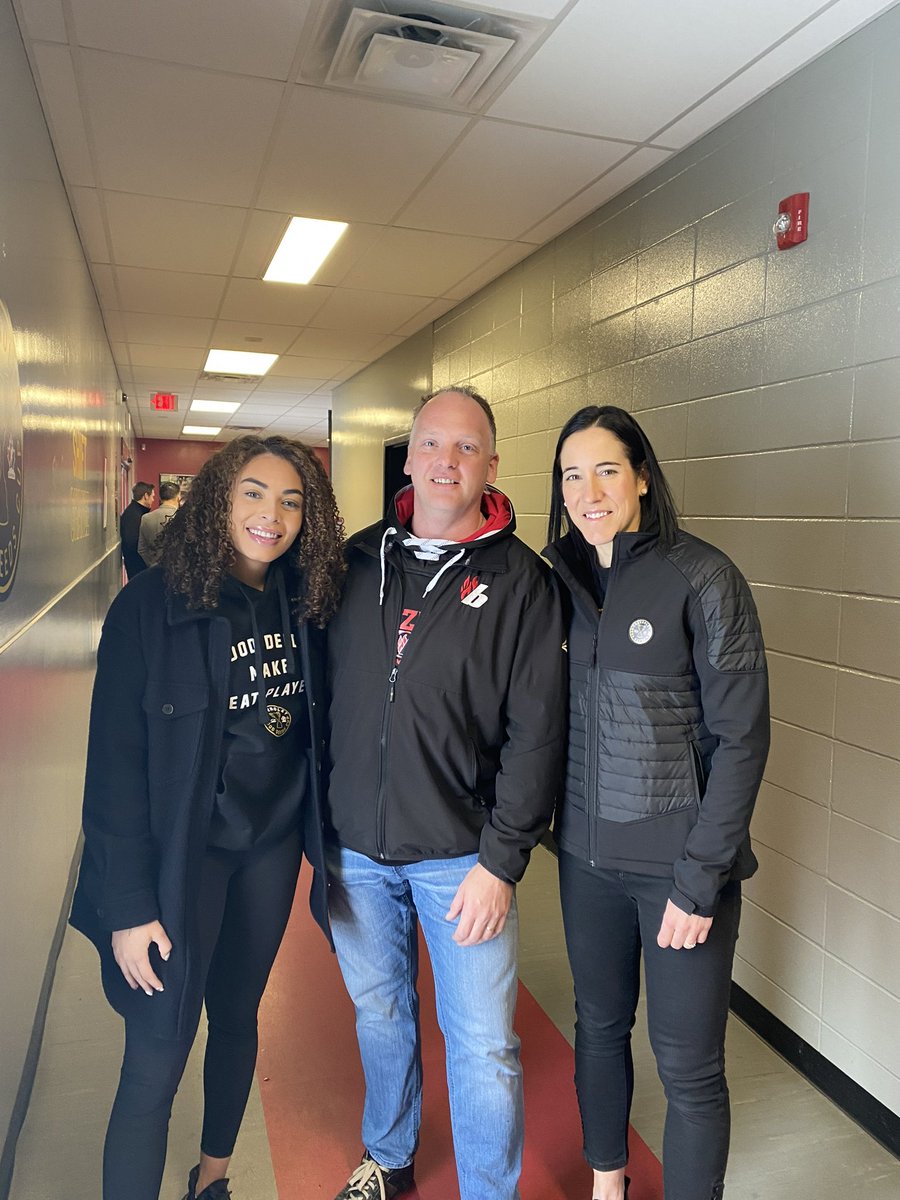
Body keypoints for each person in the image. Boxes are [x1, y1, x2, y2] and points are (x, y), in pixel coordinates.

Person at [70, 435, 345, 1200]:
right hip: (179, 860)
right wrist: (128, 906)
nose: (272, 515)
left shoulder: (309, 602)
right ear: (219, 498)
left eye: (292, 501)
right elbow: (114, 769)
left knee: (236, 1016)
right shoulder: (148, 609)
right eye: (254, 493)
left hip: (268, 851)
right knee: (157, 1050)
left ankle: (212, 1178)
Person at [325, 386, 566, 1200]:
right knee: (380, 1016)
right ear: (410, 456)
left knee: (483, 1044)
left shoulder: (524, 584)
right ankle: (388, 1157)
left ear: (491, 465)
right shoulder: (357, 562)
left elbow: (538, 735)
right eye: (432, 444)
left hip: (463, 860)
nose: (446, 462)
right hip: (355, 850)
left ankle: (488, 1191)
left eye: (466, 448)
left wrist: (502, 863)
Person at [543, 406, 769, 1200]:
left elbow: (743, 741)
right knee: (599, 1031)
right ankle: (610, 1184)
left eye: (607, 469)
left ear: (642, 476)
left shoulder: (703, 578)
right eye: (572, 474)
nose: (589, 490)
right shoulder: (554, 580)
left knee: (688, 1067)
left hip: (679, 873)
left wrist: (699, 878)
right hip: (585, 861)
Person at [138, 479, 181, 566]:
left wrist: (151, 564)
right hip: (177, 569)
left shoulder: (146, 518)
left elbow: (141, 549)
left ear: (161, 498)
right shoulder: (182, 517)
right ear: (178, 497)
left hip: (153, 567)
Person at [120, 481, 155, 579]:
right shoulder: (134, 516)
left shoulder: (134, 512)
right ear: (146, 496)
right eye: (152, 496)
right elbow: (133, 544)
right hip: (138, 567)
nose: (153, 500)